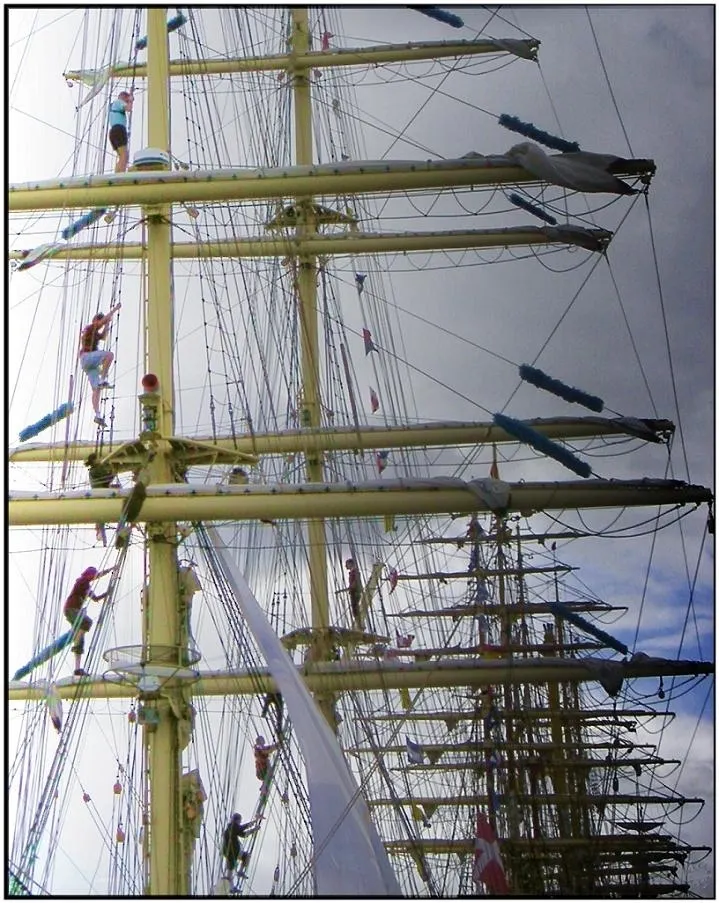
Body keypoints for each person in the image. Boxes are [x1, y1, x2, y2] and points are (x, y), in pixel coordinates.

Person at [63, 565, 115, 676]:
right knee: (87, 622)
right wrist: (109, 570)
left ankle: (77, 668)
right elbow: (93, 577)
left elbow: (95, 598)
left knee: (81, 640)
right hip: (71, 609)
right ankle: (78, 637)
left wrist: (107, 593)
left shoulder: (86, 587)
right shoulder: (82, 581)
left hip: (73, 611)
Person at [78, 304, 121, 427]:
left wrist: (107, 324)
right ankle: (103, 379)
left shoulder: (95, 332)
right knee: (109, 355)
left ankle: (97, 415)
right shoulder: (90, 327)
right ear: (95, 320)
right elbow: (101, 323)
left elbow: (103, 336)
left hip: (87, 363)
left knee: (96, 389)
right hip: (87, 357)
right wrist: (114, 310)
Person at [86, 453, 120, 545]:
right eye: (98, 458)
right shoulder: (95, 470)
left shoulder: (94, 470)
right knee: (101, 514)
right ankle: (99, 530)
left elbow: (106, 480)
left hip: (101, 492)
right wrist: (114, 471)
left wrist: (113, 471)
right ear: (94, 460)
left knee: (101, 514)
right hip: (101, 493)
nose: (100, 459)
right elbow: (107, 479)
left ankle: (100, 530)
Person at [222, 813, 260, 880]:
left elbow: (243, 834)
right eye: (240, 820)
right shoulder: (233, 826)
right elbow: (242, 829)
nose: (240, 822)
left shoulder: (231, 828)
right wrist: (253, 824)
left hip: (229, 851)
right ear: (237, 820)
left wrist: (253, 829)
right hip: (232, 851)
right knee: (244, 857)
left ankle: (236, 874)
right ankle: (235, 875)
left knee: (239, 860)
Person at [108, 91, 134, 173]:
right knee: (124, 156)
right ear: (123, 98)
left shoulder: (113, 105)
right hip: (119, 130)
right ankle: (120, 175)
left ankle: (117, 174)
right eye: (126, 100)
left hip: (113, 132)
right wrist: (130, 100)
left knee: (122, 157)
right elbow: (129, 108)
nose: (126, 102)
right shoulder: (119, 102)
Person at [345, 558, 362, 625]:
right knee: (355, 608)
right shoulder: (353, 572)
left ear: (351, 564)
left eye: (347, 564)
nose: (346, 566)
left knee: (355, 608)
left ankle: (359, 623)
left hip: (355, 592)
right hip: (354, 591)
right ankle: (358, 622)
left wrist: (351, 587)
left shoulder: (355, 572)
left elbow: (356, 581)